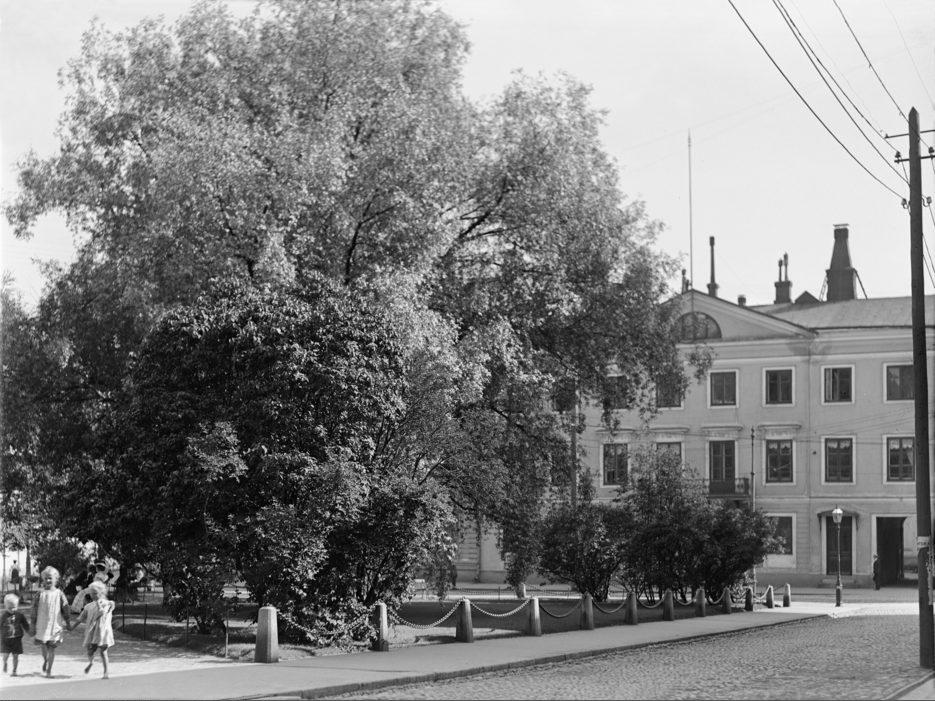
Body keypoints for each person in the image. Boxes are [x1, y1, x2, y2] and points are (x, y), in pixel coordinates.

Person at [30, 566, 72, 678]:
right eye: (46, 578)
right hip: (42, 625)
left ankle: (49, 671)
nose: (48, 580)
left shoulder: (59, 594)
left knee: (51, 648)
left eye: (50, 578)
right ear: (43, 580)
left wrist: (68, 622)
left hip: (55, 626)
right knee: (43, 646)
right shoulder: (39, 594)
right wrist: (32, 624)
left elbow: (65, 608)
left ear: (56, 579)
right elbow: (34, 609)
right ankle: (45, 659)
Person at [74, 580, 114, 679]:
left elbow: (102, 612)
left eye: (95, 593)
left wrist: (100, 604)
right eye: (91, 593)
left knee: (103, 652)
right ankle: (91, 662)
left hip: (103, 632)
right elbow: (80, 618)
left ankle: (106, 672)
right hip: (92, 632)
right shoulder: (88, 606)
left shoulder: (107, 604)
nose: (93, 595)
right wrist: (71, 627)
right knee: (90, 651)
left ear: (101, 593)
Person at [1, 593, 30, 676]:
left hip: (16, 639)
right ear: (6, 606)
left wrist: (30, 631)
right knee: (6, 655)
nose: (12, 609)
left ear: (17, 606)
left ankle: (14, 671)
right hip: (6, 639)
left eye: (14, 607)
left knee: (16, 656)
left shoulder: (20, 615)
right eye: (10, 608)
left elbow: (25, 625)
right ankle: (5, 662)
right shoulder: (3, 616)